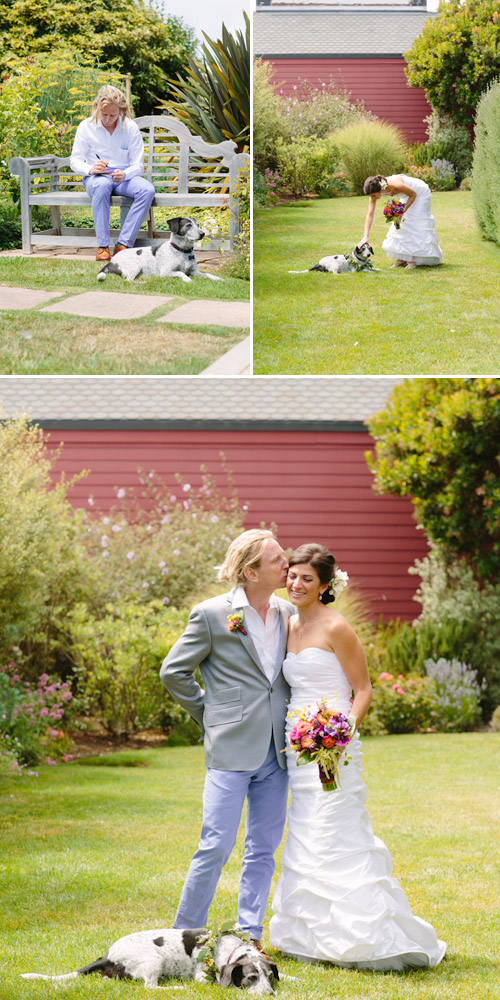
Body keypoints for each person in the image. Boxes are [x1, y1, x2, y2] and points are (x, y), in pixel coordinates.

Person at [269, 543, 447, 971]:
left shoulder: (337, 627)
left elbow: (362, 689)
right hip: (299, 748)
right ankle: (309, 936)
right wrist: (306, 738)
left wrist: (340, 734)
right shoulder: (287, 624)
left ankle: (362, 937)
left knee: (335, 830)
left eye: (306, 578)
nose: (295, 583)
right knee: (306, 831)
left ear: (325, 585)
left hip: (334, 747)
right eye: (292, 575)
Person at [159, 529, 294, 948]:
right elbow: (173, 671)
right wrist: (210, 715)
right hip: (231, 748)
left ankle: (249, 934)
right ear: (250, 571)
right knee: (215, 844)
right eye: (276, 560)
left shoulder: (289, 612)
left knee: (263, 848)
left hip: (278, 749)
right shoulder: (212, 614)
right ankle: (185, 934)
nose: (286, 564)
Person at [70, 85, 155, 262]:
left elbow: (138, 165)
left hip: (124, 178)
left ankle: (123, 244)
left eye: (113, 115)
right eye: (105, 114)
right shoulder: (86, 127)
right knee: (102, 185)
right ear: (97, 108)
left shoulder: (130, 127)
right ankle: (103, 247)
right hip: (97, 178)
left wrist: (125, 174)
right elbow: (75, 161)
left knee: (147, 190)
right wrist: (91, 169)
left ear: (121, 111)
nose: (108, 119)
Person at [359, 173, 443, 268]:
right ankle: (402, 258)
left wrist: (402, 211)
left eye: (374, 196)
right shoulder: (374, 191)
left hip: (419, 192)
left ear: (379, 189)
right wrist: (365, 236)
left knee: (414, 221)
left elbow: (413, 194)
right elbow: (370, 215)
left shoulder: (395, 185)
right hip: (407, 195)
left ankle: (413, 260)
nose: (373, 198)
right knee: (400, 224)